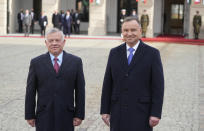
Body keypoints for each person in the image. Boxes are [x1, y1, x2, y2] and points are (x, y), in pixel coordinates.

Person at [100, 16, 164, 131]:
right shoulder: (114, 53)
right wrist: (104, 110)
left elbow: (158, 87)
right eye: (125, 30)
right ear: (122, 32)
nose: (129, 33)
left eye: (133, 30)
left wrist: (156, 113)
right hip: (117, 112)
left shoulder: (152, 54)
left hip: (141, 113)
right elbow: (108, 83)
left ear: (140, 31)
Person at [25, 28, 85, 131]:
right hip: (44, 115)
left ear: (64, 42)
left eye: (57, 40)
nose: (54, 43)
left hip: (66, 115)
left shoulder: (76, 62)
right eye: (51, 40)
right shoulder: (36, 62)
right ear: (46, 43)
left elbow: (80, 91)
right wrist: (29, 115)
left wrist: (79, 114)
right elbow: (30, 91)